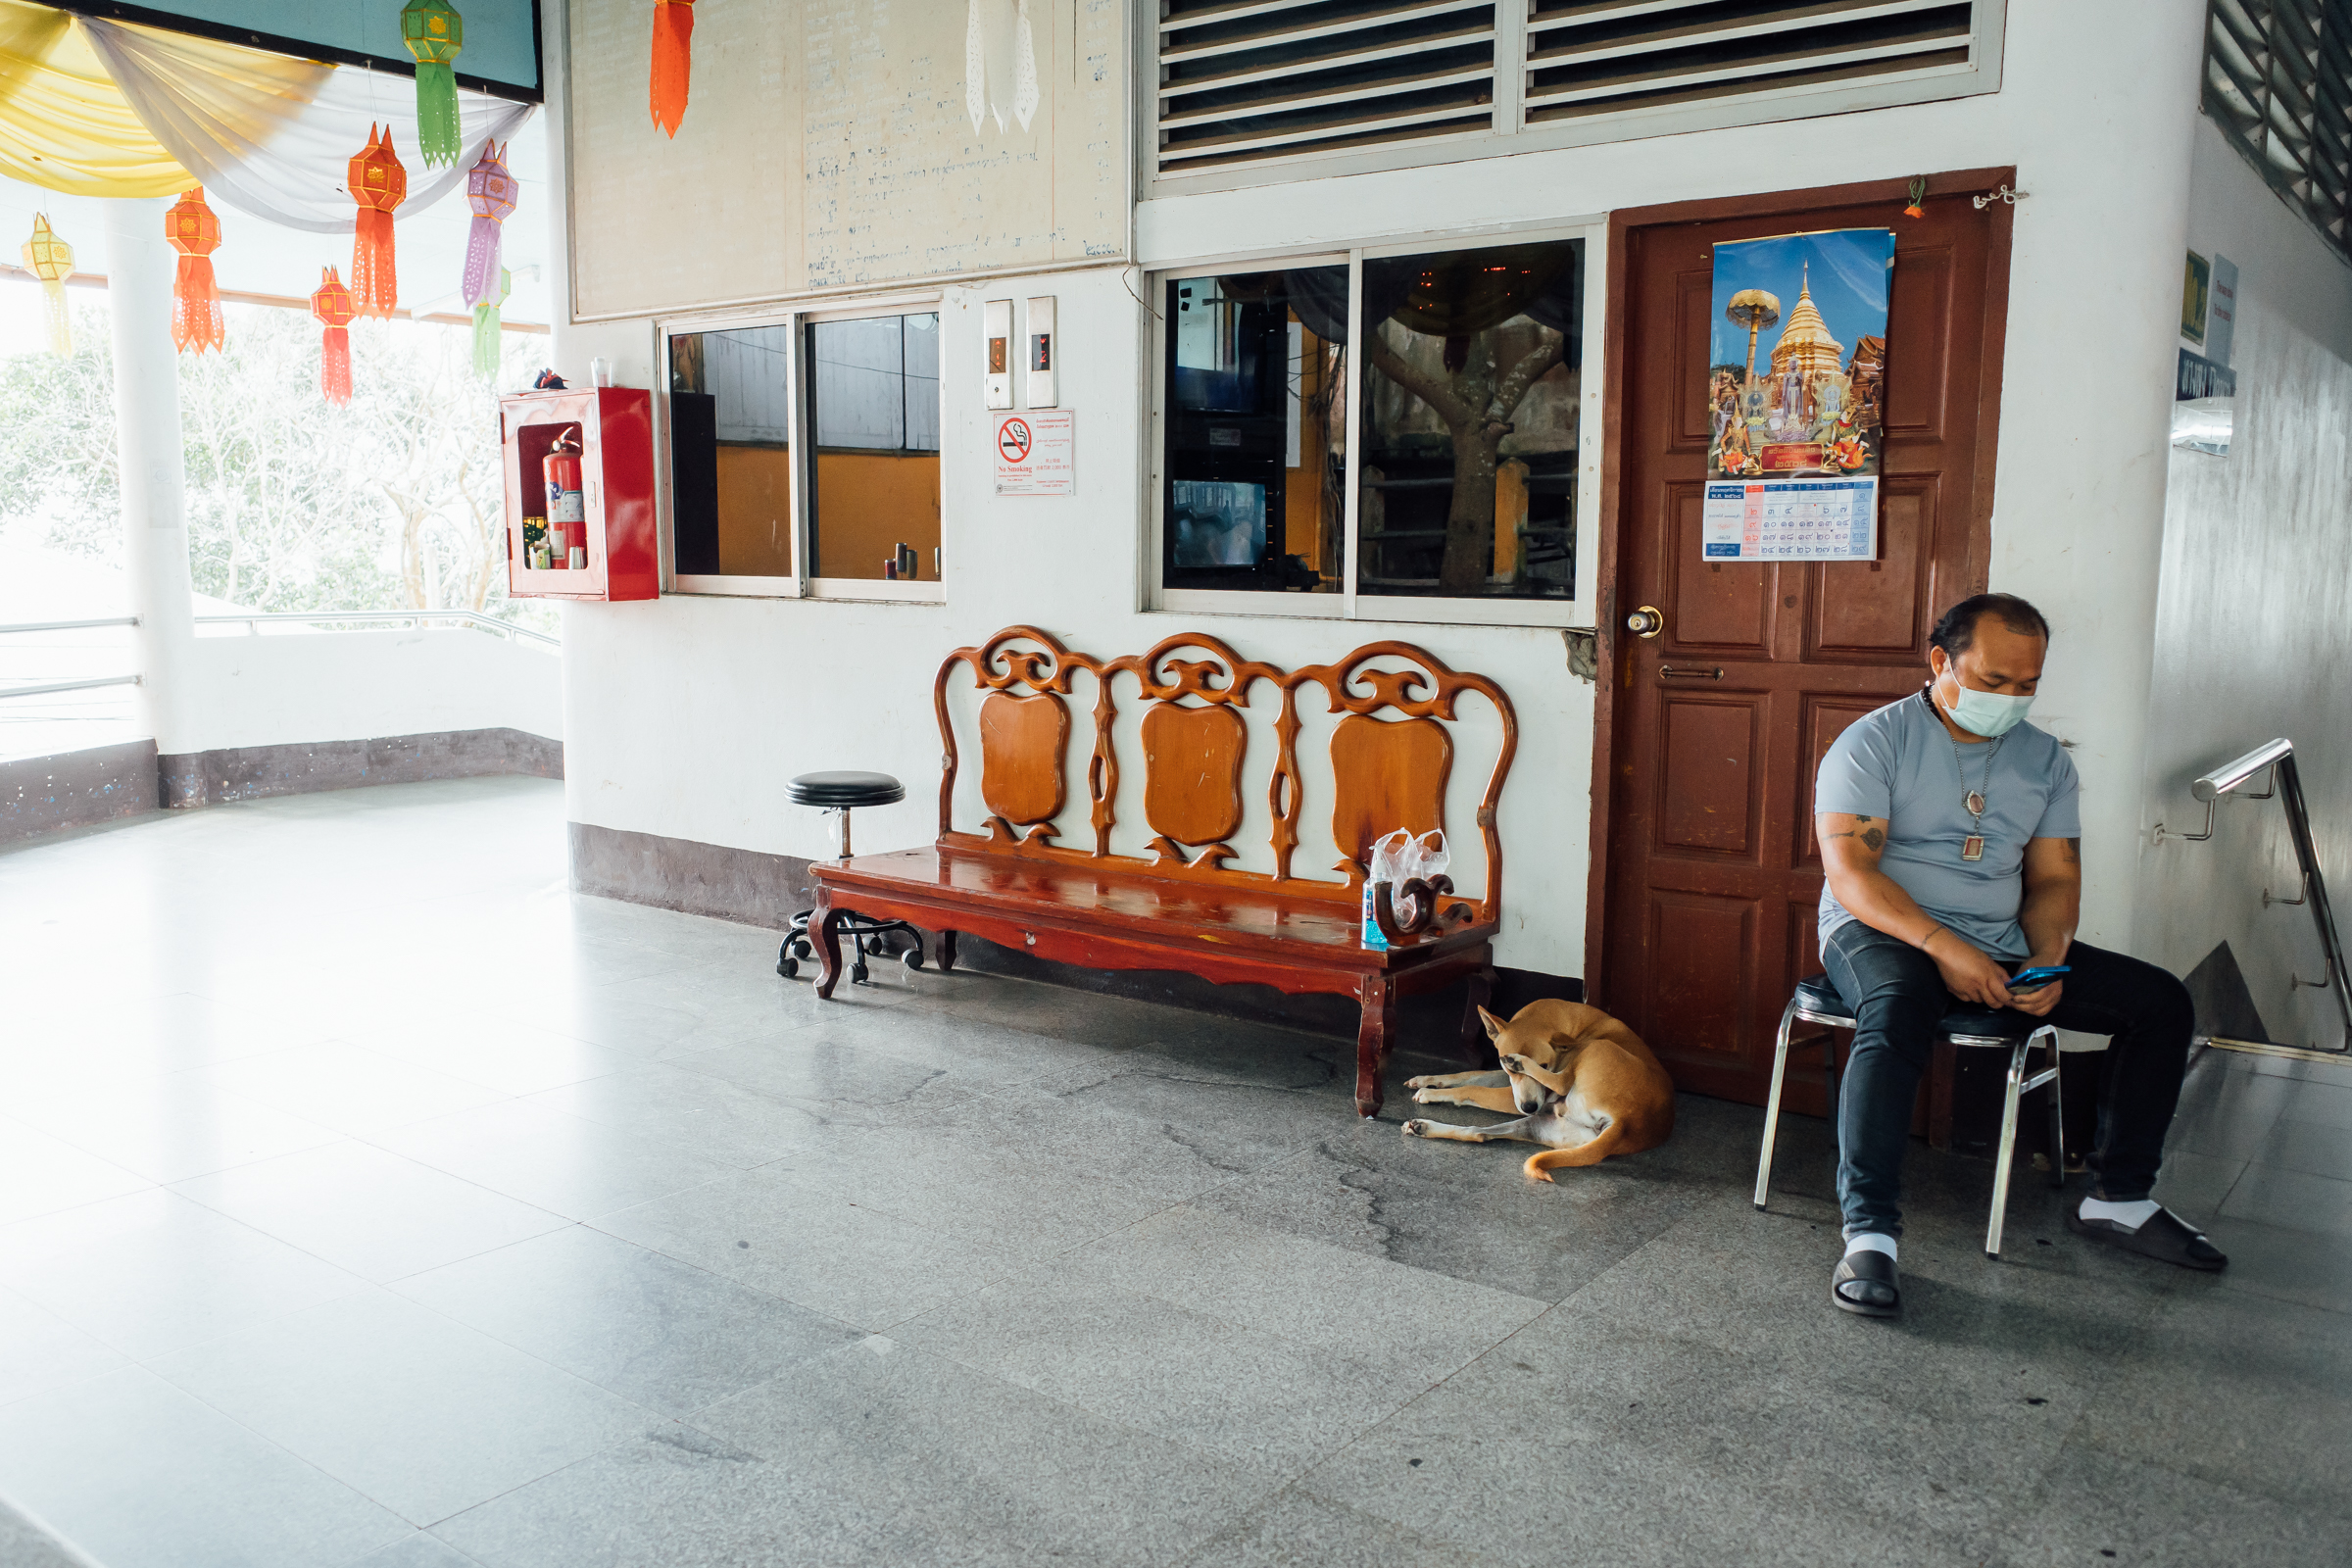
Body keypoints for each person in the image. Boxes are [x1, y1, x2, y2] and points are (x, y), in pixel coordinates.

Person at [1813, 592, 2224, 1318]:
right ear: (1941, 662)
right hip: (1878, 929)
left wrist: (2048, 956)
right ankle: (1869, 1232)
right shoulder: (1873, 743)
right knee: (1898, 1004)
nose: (2011, 698)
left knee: (2160, 1002)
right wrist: (1944, 948)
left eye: (2027, 683)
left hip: (1997, 937)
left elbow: (2055, 879)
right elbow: (1853, 876)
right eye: (1994, 680)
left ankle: (2120, 1199)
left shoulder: (2044, 761)